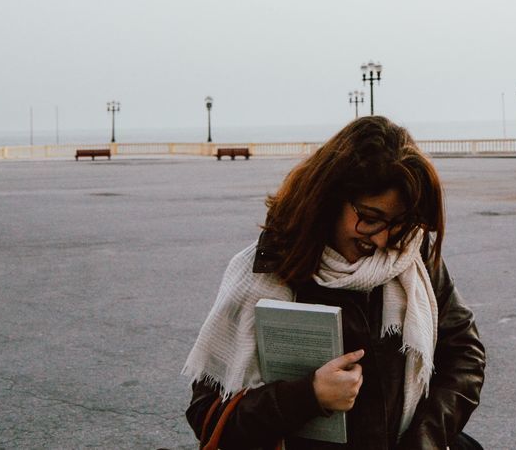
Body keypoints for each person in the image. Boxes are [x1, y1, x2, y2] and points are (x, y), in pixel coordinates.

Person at [183, 116, 485, 449]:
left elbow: (464, 357)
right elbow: (207, 414)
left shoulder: (413, 255)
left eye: (397, 223)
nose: (383, 240)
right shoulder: (269, 269)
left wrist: (425, 439)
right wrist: (308, 395)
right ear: (327, 199)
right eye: (369, 219)